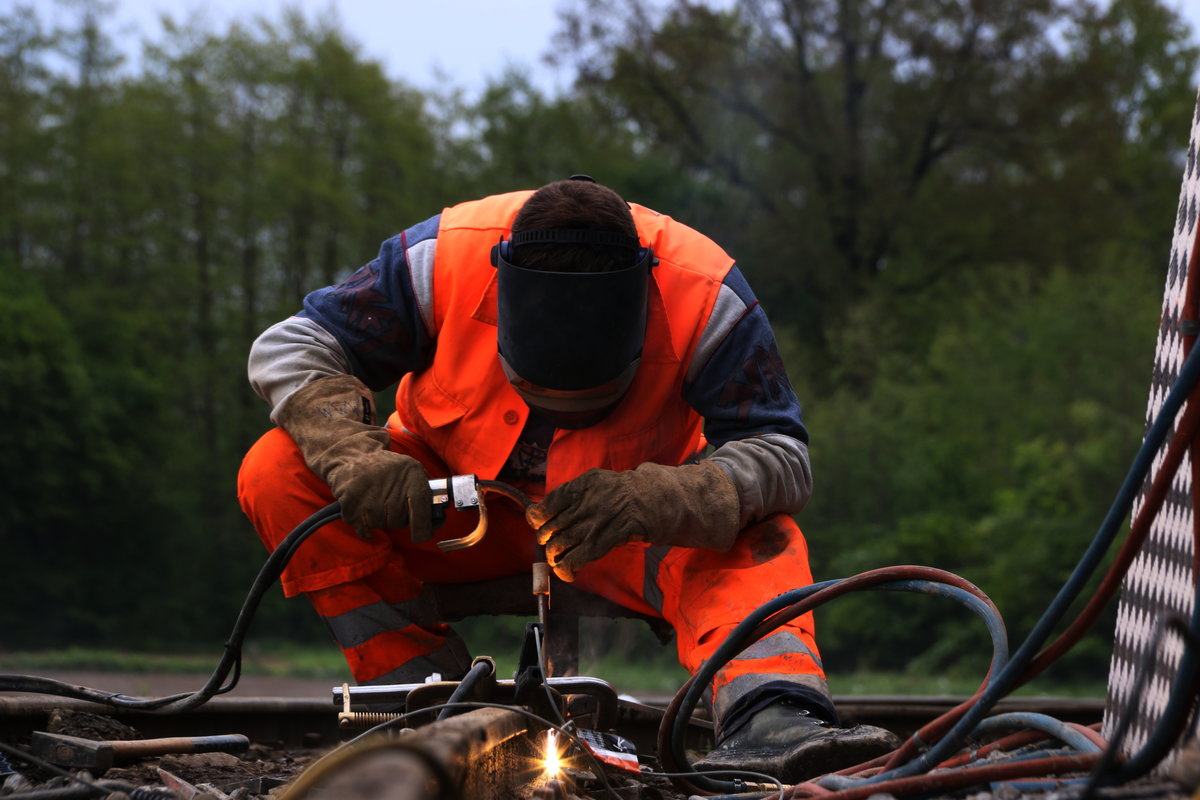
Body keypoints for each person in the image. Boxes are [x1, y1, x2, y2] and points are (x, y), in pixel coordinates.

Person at [237, 176, 897, 782]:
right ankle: (422, 704)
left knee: (762, 533)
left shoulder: (705, 294)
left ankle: (774, 719)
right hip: (455, 518)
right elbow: (288, 346)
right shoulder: (442, 261)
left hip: (628, 533)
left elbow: (781, 454)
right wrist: (353, 453)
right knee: (277, 469)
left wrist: (661, 495)